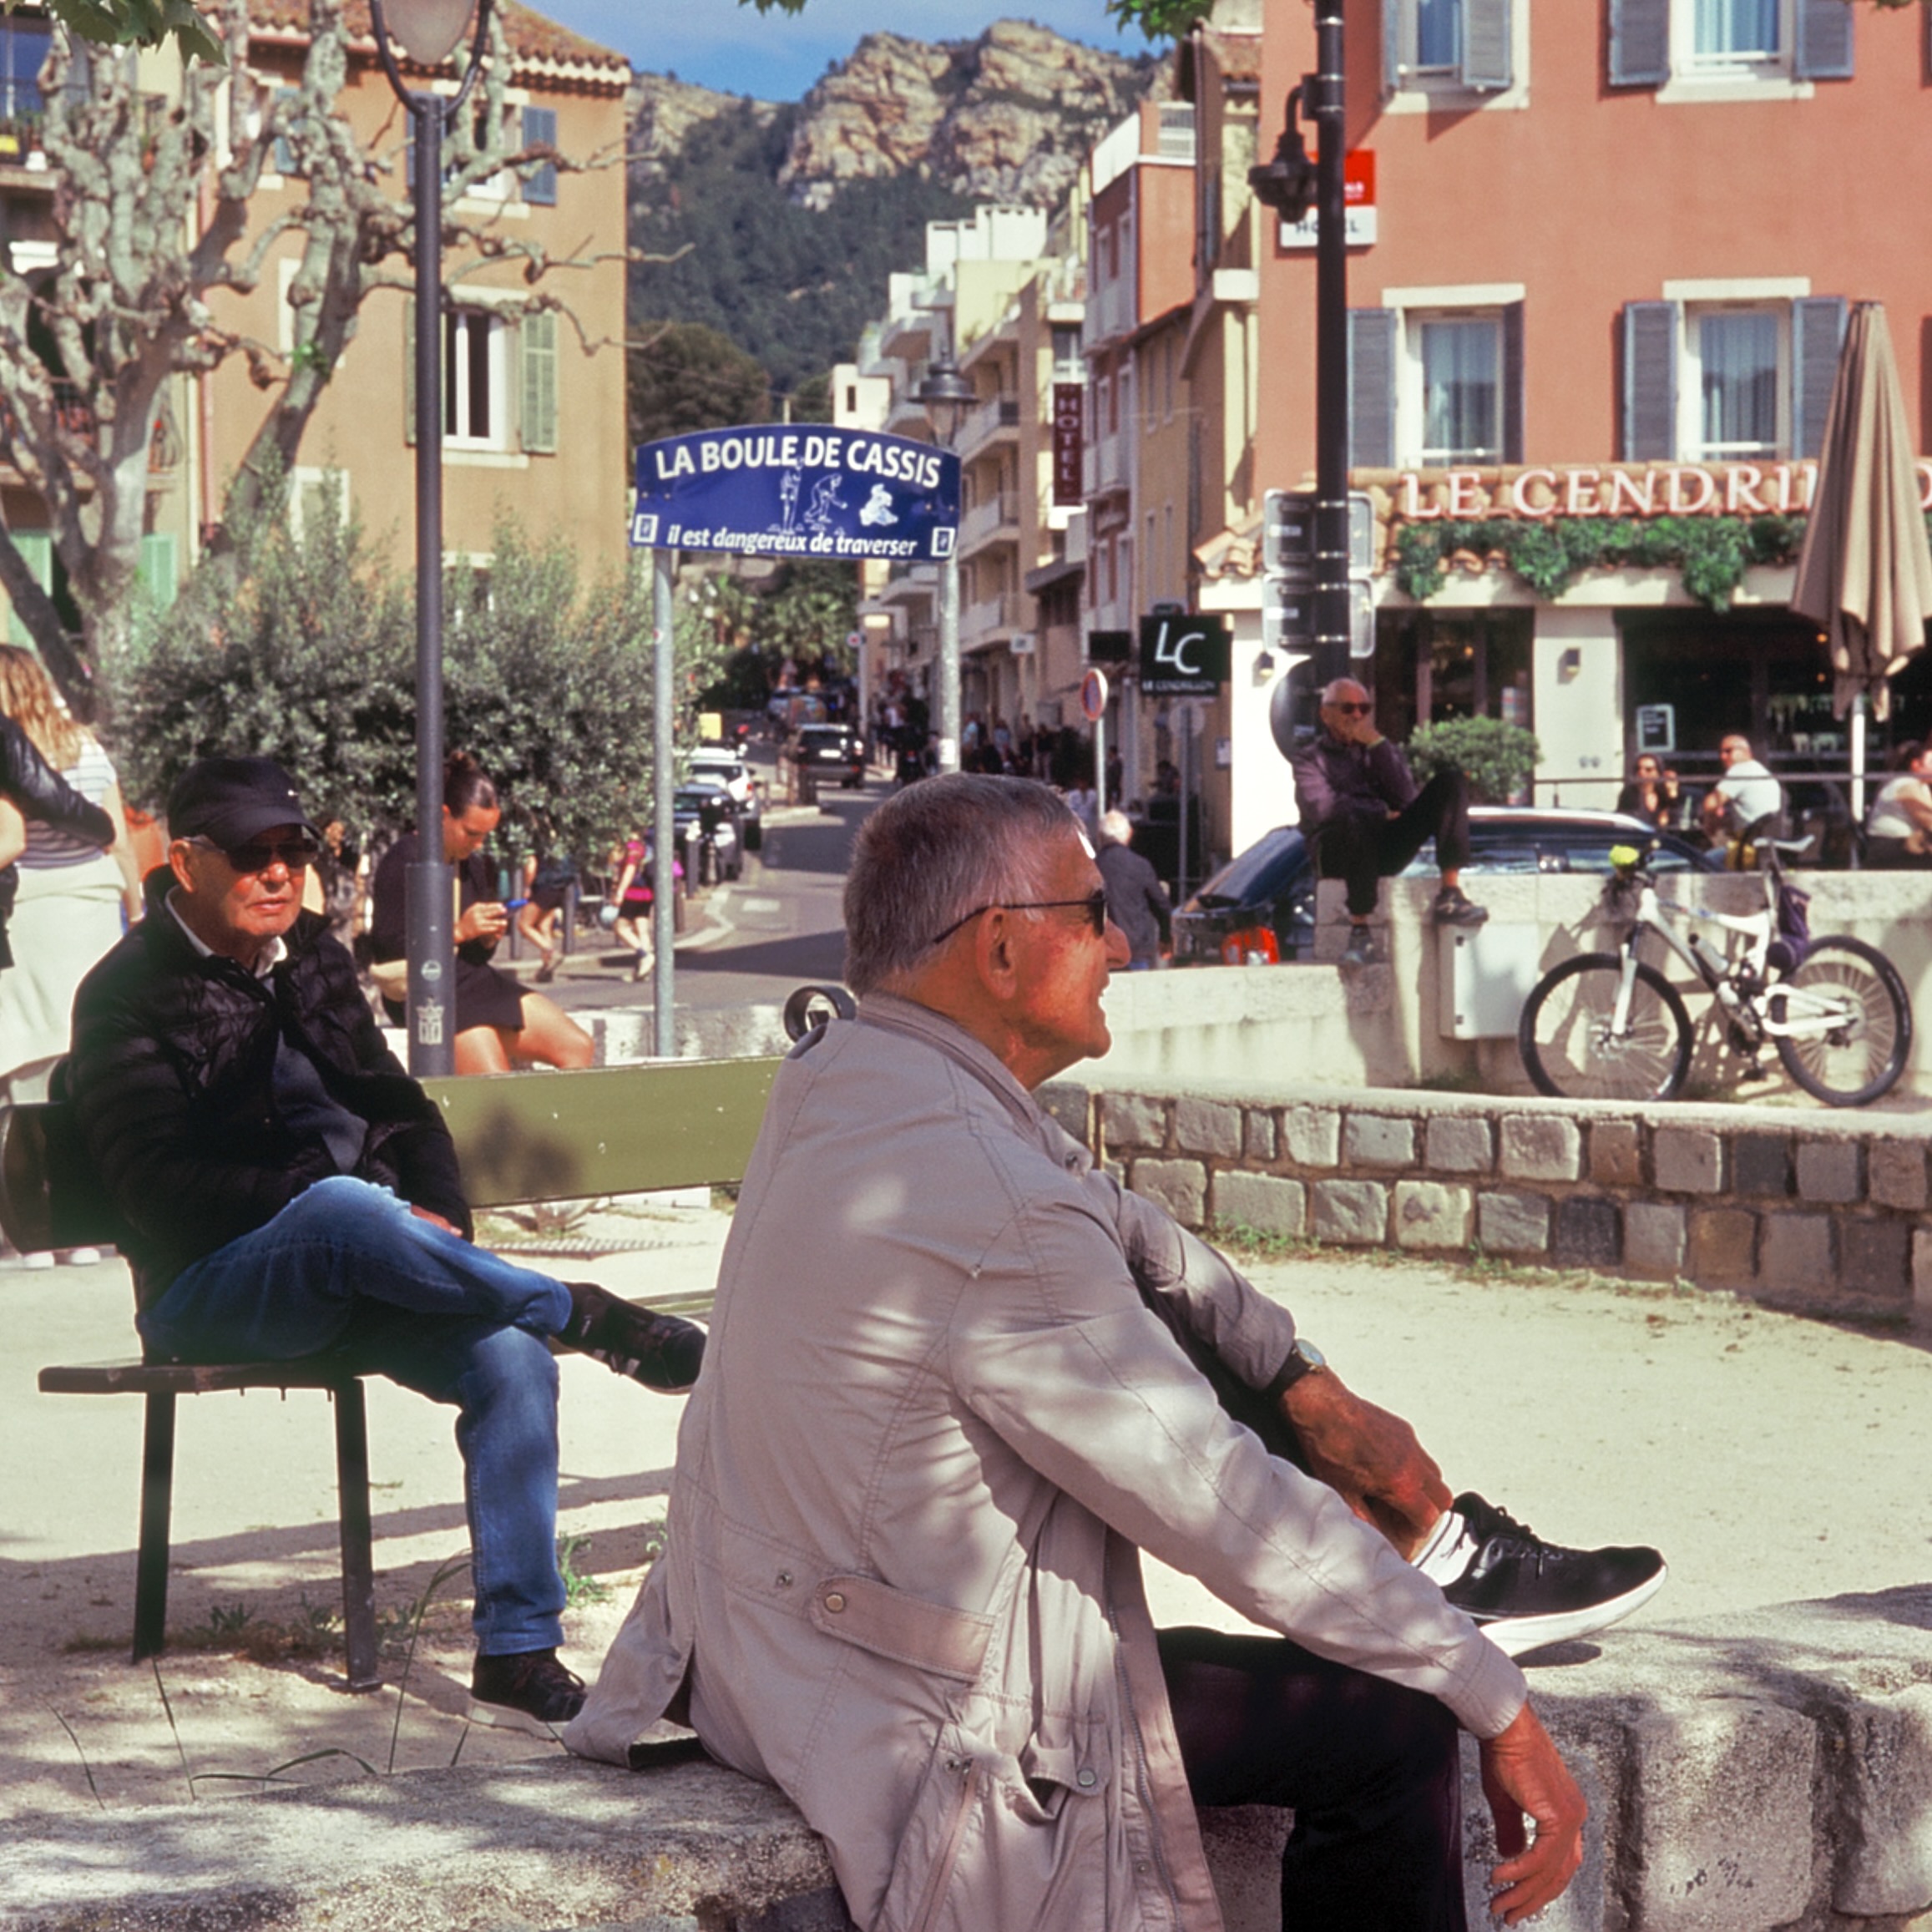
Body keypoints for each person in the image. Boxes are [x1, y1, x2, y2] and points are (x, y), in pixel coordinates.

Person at [569, 775, 1667, 1932]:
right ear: (999, 949)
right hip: (898, 1704)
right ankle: (1446, 1582)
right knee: (1396, 1728)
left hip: (768, 1650)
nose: (1123, 943)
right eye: (1091, 912)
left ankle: (1437, 1558)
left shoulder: (848, 1075)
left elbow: (1110, 1216)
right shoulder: (991, 1203)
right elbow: (1218, 1504)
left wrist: (1298, 1378)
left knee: (1177, 1336)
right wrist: (1490, 1698)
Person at [60, 756, 706, 1729]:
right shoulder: (126, 993)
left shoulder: (311, 952)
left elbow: (390, 1103)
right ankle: (584, 1310)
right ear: (185, 862)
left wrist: (435, 1207)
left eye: (293, 852)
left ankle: (519, 1648)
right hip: (210, 1286)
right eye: (252, 855)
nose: (279, 873)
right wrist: (326, 1203)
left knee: (510, 1357)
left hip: (356, 1262)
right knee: (341, 1208)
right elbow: (157, 1190)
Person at [369, 753, 593, 1074]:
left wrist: (488, 938)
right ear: (443, 816)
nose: (479, 843)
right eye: (472, 833)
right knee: (494, 1083)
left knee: (578, 1047)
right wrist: (458, 931)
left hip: (472, 982)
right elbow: (389, 947)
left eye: (485, 835)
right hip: (428, 991)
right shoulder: (403, 860)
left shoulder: (472, 864)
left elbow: (476, 957)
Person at [0, 646, 140, 1108]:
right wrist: (136, 910)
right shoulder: (86, 745)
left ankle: (32, 1173)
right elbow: (118, 838)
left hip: (30, 915)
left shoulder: (10, 757)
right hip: (94, 912)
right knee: (96, 1053)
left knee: (32, 1071)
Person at [1292, 677, 1487, 968]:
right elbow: (1324, 808)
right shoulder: (1310, 759)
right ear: (1326, 714)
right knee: (1354, 819)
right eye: (1348, 708)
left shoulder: (1377, 751)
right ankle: (1360, 930)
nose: (1357, 716)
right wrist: (1381, 812)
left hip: (1382, 846)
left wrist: (1378, 746)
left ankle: (1450, 893)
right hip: (1336, 849)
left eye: (1364, 708)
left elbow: (1407, 799)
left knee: (1451, 782)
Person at [1097, 807, 1171, 968]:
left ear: (1100, 836)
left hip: (1102, 951)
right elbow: (1161, 905)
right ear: (1129, 834)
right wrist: (1165, 938)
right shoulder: (1140, 865)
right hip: (1136, 949)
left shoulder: (1090, 869)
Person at [1700, 734, 1783, 854]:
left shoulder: (1741, 770)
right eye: (1721, 752)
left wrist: (1709, 822)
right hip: (1763, 845)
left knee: (1707, 859)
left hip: (1748, 847)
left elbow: (1710, 804)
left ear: (1745, 751)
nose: (1723, 756)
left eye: (1728, 751)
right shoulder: (1760, 771)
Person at [1863, 741, 1932, 868]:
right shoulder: (1905, 783)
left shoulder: (1920, 786)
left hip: (1902, 845)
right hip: (1890, 847)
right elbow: (1928, 820)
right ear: (1916, 765)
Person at [518, 835, 576, 984]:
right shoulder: (560, 838)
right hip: (560, 887)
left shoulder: (535, 838)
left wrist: (527, 886)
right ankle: (547, 967)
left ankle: (551, 953)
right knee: (544, 926)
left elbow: (531, 864)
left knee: (524, 925)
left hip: (543, 886)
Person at [1616, 752, 1682, 831]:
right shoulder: (1629, 793)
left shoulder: (1663, 794)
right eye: (1638, 768)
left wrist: (1672, 792)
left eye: (1648, 770)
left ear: (1658, 773)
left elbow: (1676, 825)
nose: (1641, 773)